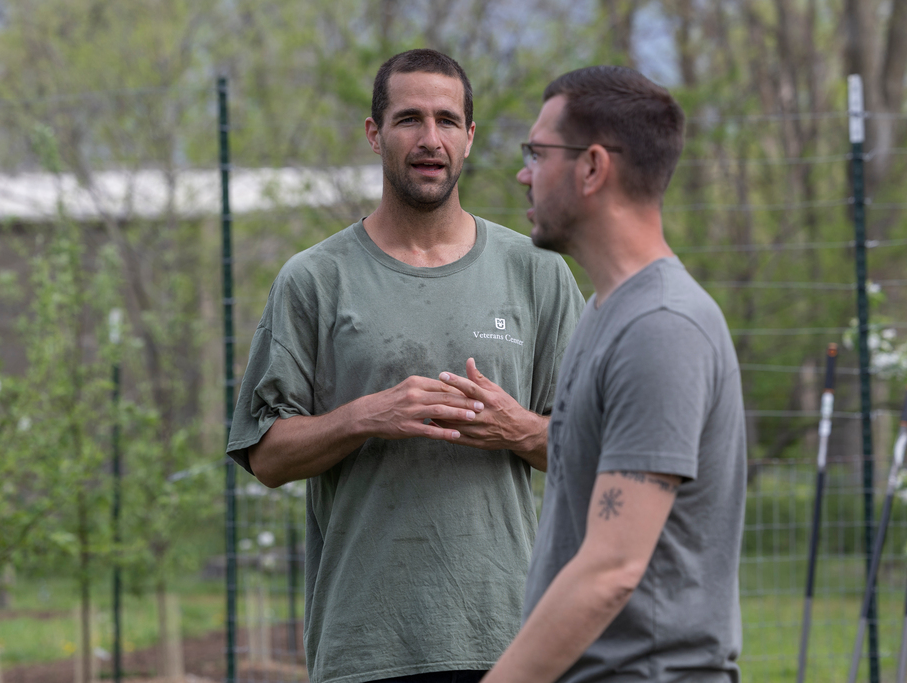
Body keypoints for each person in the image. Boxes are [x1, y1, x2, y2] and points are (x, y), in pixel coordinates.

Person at [226, 49, 585, 683]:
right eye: (408, 119)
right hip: (365, 647)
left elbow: (595, 448)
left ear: (470, 139)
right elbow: (267, 457)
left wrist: (516, 429)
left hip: (508, 643)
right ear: (374, 134)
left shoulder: (536, 272)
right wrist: (365, 417)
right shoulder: (315, 279)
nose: (429, 139)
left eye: (448, 120)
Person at [484, 66, 747, 683]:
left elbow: (610, 570)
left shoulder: (661, 326)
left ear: (592, 167)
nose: (524, 173)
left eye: (536, 152)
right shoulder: (606, 310)